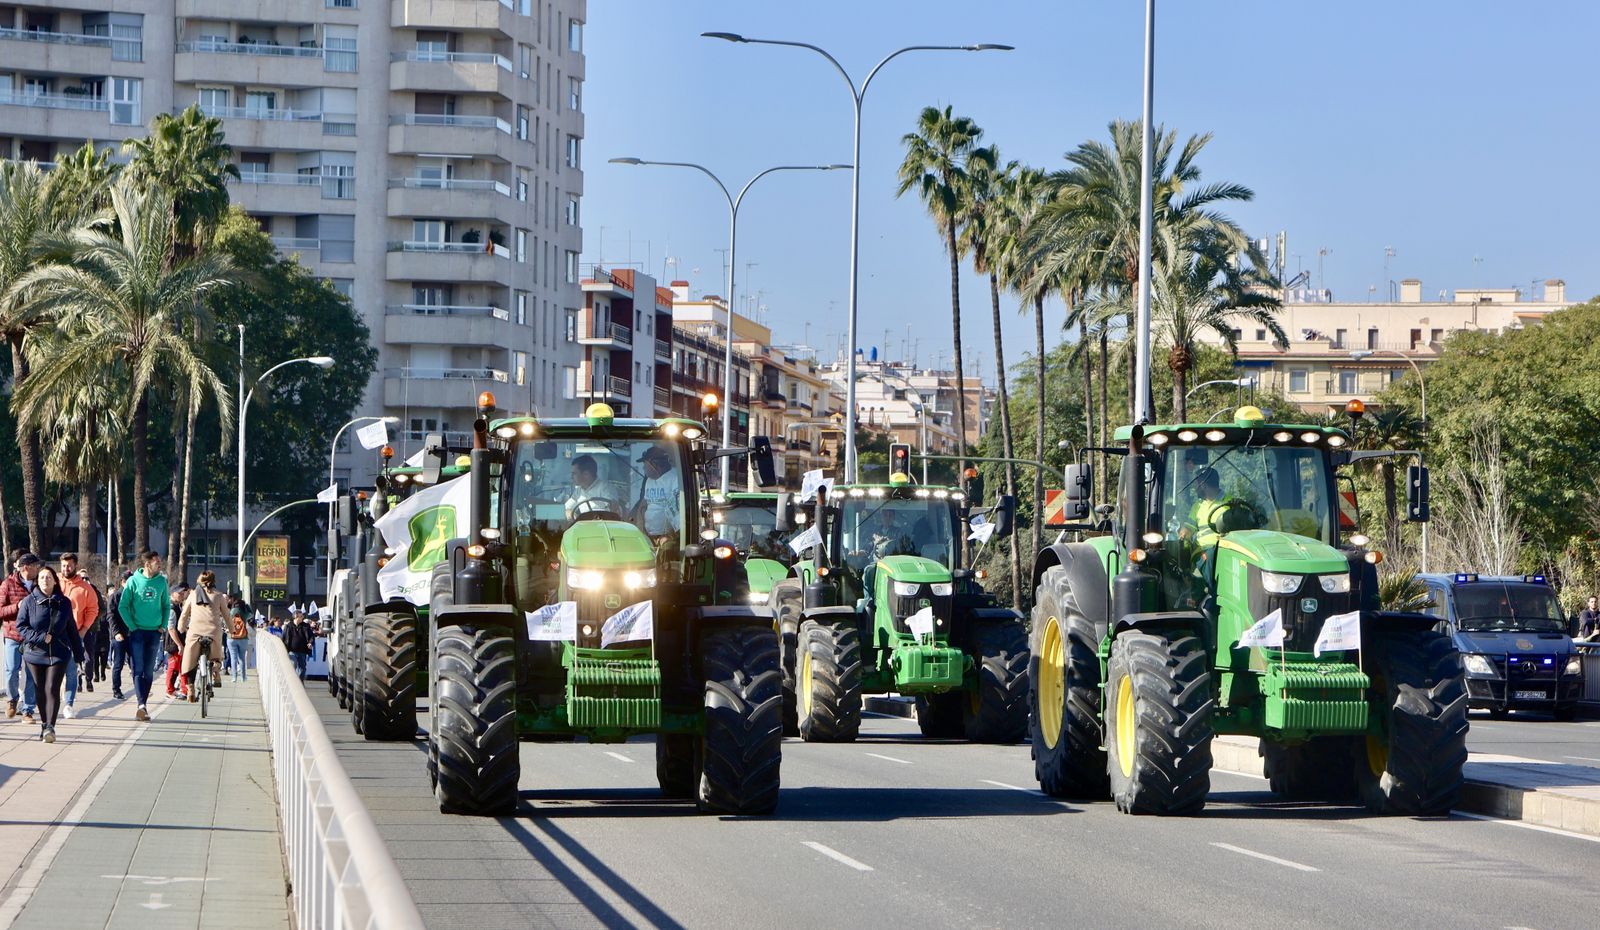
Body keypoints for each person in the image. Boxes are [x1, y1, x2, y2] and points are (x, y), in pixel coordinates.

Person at [18, 566, 84, 742]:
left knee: (52, 688)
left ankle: (50, 727)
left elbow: (72, 629)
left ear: (55, 580)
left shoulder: (64, 602)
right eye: (41, 578)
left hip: (59, 652)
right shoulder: (29, 602)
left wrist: (79, 655)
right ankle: (44, 723)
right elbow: (21, 627)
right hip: (35, 653)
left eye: (48, 577)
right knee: (40, 690)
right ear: (37, 581)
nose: (45, 580)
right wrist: (40, 637)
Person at [116, 551, 170, 721]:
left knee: (149, 671)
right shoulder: (133, 581)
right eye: (157, 562)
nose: (160, 564)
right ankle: (141, 705)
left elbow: (166, 605)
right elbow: (122, 606)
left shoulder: (162, 582)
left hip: (154, 632)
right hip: (137, 631)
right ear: (147, 564)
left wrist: (163, 625)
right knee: (138, 669)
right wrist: (132, 626)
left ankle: (143, 705)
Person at [1, 553, 41, 722]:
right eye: (35, 566)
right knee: (11, 670)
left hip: (33, 637)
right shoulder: (8, 584)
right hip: (13, 634)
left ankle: (28, 709)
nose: (38, 569)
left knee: (32, 673)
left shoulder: (40, 584)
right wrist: (17, 606)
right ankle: (12, 699)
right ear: (26, 567)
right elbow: (1, 610)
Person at [58, 554, 100, 718]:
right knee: (52, 671)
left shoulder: (85, 588)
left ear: (75, 565)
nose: (65, 568)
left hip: (73, 634)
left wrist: (83, 630)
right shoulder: (54, 582)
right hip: (53, 635)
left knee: (71, 670)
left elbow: (93, 610)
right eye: (63, 565)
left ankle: (69, 703)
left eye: (68, 565)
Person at [178, 572, 226, 702]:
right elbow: (226, 615)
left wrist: (181, 627)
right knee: (216, 656)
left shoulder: (193, 595)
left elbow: (184, 614)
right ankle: (216, 670)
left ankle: (190, 689)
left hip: (195, 632)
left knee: (190, 660)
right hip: (213, 632)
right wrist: (232, 630)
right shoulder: (219, 595)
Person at [564, 454, 624, 519]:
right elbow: (566, 508)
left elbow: (613, 506)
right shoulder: (579, 490)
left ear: (586, 474)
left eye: (574, 473)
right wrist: (571, 515)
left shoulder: (605, 488)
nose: (571, 477)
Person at [107, 570, 133, 700]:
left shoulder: (135, 595)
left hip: (132, 634)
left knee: (135, 661)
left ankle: (138, 686)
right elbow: (111, 616)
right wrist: (116, 632)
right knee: (118, 663)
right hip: (119, 635)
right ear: (123, 582)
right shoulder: (116, 596)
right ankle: (116, 689)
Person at [165, 583, 190, 699]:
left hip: (178, 641)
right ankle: (169, 690)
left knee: (180, 666)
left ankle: (179, 689)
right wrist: (179, 644)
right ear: (172, 593)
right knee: (173, 666)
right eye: (179, 593)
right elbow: (171, 628)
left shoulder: (177, 606)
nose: (182, 595)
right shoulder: (172, 609)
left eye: (182, 593)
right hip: (173, 643)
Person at [226, 593, 253, 683]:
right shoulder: (244, 613)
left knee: (233, 658)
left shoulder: (231, 611)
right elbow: (251, 615)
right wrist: (247, 606)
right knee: (242, 658)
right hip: (243, 637)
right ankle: (243, 677)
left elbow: (225, 620)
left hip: (231, 637)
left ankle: (234, 677)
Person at [283, 607, 314, 679]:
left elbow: (311, 636)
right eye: (301, 616)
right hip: (291, 651)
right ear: (295, 617)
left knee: (302, 669)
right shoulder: (288, 626)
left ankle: (300, 683)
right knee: (293, 666)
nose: (302, 617)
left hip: (302, 651)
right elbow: (284, 637)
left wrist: (310, 643)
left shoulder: (306, 626)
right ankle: (292, 682)